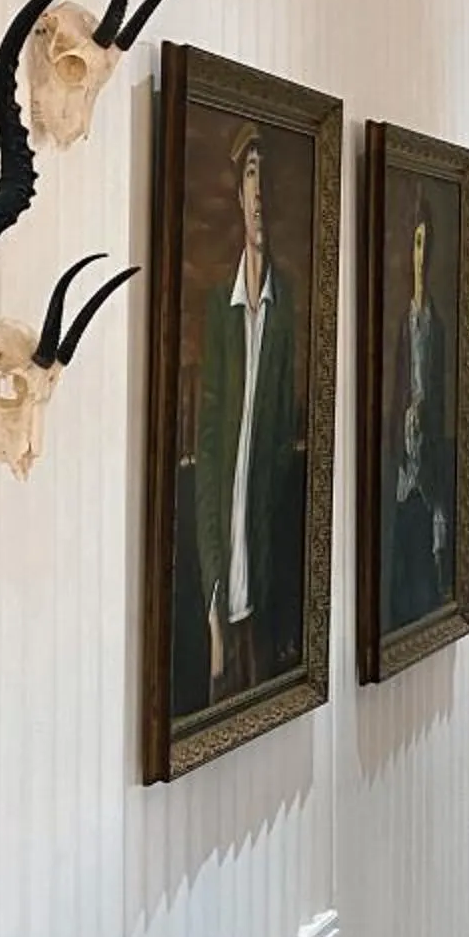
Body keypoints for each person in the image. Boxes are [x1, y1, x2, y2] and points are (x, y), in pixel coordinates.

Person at [193, 121, 304, 698]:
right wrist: (213, 592)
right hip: (224, 583)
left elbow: (283, 446)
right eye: (251, 178)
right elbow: (209, 452)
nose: (259, 195)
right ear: (239, 195)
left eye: (266, 180)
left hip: (265, 580)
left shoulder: (288, 310)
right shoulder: (221, 309)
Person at [387, 202, 452, 628]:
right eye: (416, 244)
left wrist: (425, 416)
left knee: (427, 565)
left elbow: (441, 400)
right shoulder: (401, 324)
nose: (421, 255)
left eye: (427, 245)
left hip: (426, 465)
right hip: (403, 467)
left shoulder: (437, 326)